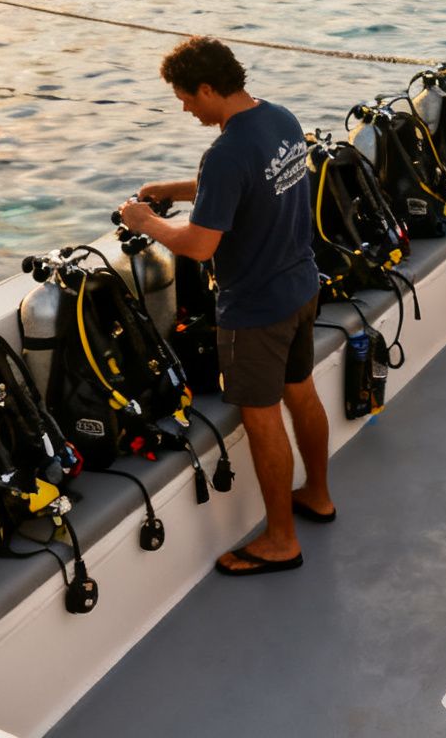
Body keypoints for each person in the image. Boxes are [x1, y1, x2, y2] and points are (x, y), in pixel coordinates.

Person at [117, 36, 333, 577]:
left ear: (209, 88)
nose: (185, 107)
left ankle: (282, 540)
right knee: (301, 394)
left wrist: (146, 222)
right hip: (301, 287)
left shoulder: (227, 149)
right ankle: (319, 495)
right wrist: (175, 187)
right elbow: (245, 183)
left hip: (256, 309)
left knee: (263, 422)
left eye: (186, 97)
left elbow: (198, 245)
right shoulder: (279, 118)